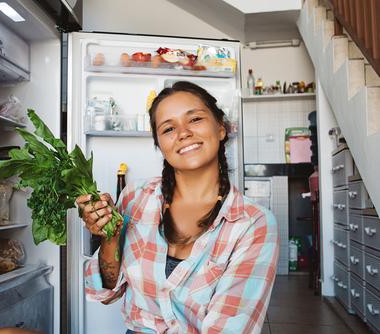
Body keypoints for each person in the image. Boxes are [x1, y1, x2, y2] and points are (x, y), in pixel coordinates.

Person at [76, 81, 279, 334]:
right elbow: (104, 292)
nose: (183, 133)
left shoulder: (252, 222)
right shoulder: (135, 198)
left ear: (220, 128)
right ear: (159, 144)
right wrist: (110, 237)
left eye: (194, 119)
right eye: (169, 128)